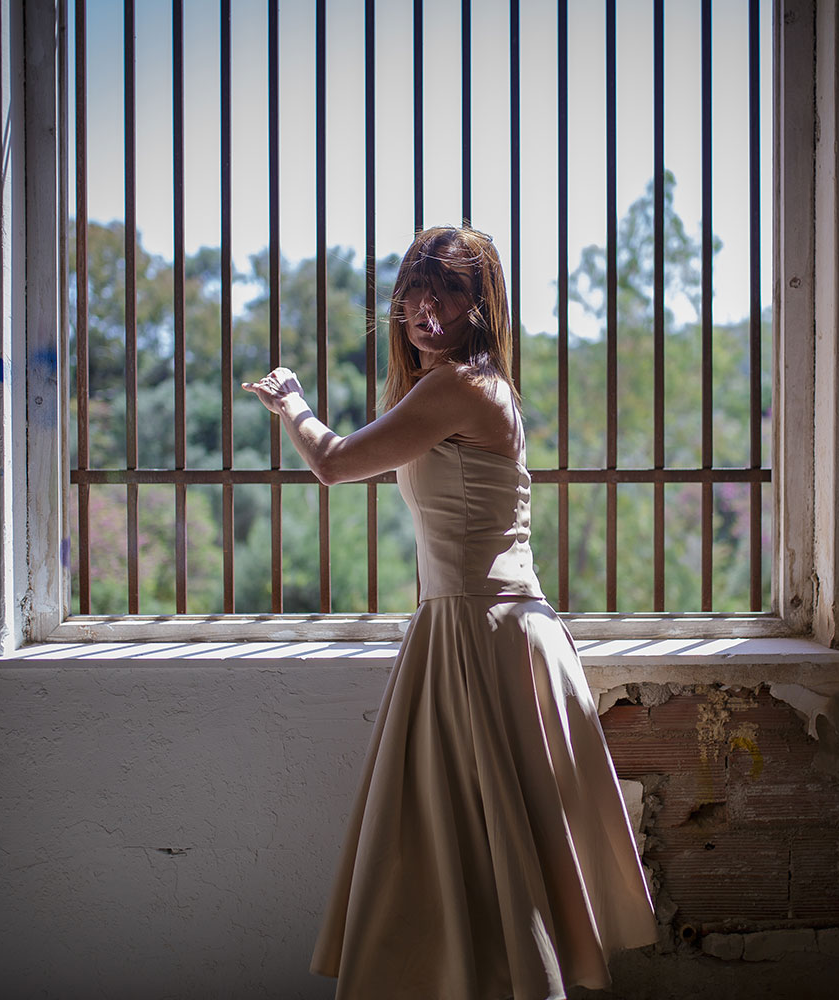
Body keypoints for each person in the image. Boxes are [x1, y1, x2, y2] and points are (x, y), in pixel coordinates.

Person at [243, 225, 657, 1000]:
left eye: (450, 293)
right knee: (480, 850)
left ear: (481, 305)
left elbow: (334, 463)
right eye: (416, 293)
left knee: (470, 846)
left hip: (481, 632)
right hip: (481, 628)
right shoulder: (466, 386)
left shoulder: (460, 387)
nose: (427, 310)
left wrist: (291, 401)